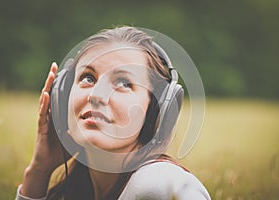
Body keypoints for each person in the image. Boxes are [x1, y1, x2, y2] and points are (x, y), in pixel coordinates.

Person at [15, 26, 211, 200]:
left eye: (124, 83)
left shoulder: (157, 183)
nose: (97, 95)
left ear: (156, 112)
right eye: (88, 78)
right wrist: (39, 170)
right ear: (62, 99)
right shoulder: (84, 189)